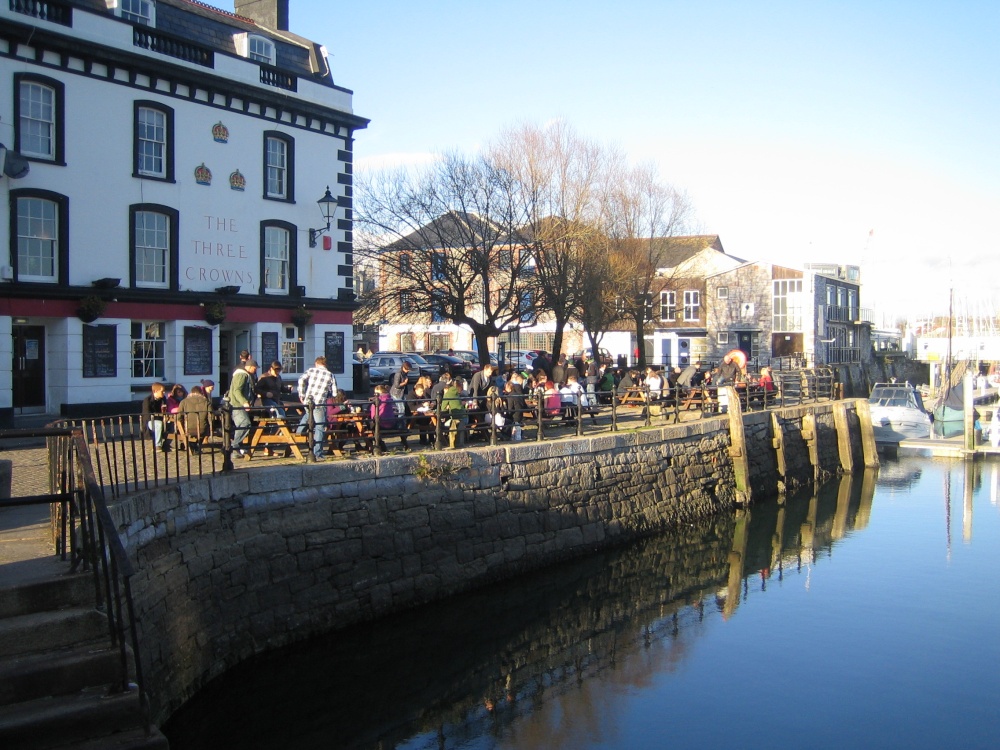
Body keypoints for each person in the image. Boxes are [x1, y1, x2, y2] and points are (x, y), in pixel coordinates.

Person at [297, 356, 338, 460]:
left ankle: (297, 435)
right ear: (325, 364)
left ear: (316, 363)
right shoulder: (330, 374)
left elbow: (301, 379)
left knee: (308, 416)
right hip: (320, 403)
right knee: (320, 427)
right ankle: (317, 453)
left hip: (308, 401)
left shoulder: (311, 370)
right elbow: (334, 393)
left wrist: (302, 394)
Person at [227, 358, 258, 458]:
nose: (255, 370)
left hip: (239, 404)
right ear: (249, 367)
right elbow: (237, 390)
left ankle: (236, 450)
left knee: (241, 425)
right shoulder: (241, 375)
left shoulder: (245, 375)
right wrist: (244, 402)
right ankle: (234, 446)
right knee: (245, 424)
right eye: (255, 368)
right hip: (237, 405)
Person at [177, 385, 212, 453]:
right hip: (202, 429)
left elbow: (179, 416)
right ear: (201, 392)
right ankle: (197, 445)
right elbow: (211, 416)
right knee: (205, 428)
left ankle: (192, 445)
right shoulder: (206, 401)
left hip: (188, 428)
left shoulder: (184, 401)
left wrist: (181, 426)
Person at [441, 376, 469, 449]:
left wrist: (448, 407)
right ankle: (460, 444)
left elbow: (443, 409)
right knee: (460, 425)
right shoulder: (457, 394)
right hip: (464, 416)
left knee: (449, 425)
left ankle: (450, 444)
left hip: (455, 417)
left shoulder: (447, 394)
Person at [140, 382, 168, 451]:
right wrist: (160, 417)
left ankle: (167, 444)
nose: (164, 392)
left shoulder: (163, 399)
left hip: (161, 419)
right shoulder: (147, 400)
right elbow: (147, 415)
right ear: (155, 391)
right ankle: (157, 445)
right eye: (162, 391)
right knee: (159, 424)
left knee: (173, 424)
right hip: (150, 421)